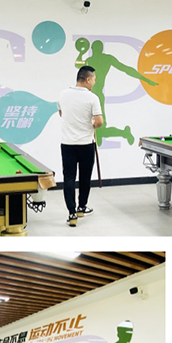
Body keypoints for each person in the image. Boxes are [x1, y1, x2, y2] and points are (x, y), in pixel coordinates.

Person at [57, 66, 104, 227]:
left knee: (69, 177)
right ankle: (81, 207)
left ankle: (71, 213)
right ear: (88, 79)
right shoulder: (92, 98)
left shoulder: (63, 94)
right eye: (94, 79)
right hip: (85, 144)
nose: (94, 82)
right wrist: (91, 124)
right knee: (85, 177)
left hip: (67, 144)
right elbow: (99, 122)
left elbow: (62, 114)